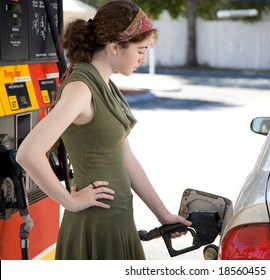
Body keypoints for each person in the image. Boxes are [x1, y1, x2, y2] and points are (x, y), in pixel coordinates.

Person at [16, 0, 191, 260]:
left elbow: (126, 159)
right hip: (95, 224)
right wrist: (71, 201)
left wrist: (163, 214)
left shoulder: (106, 85)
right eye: (141, 50)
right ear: (114, 47)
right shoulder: (81, 88)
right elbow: (28, 153)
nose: (144, 58)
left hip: (116, 220)